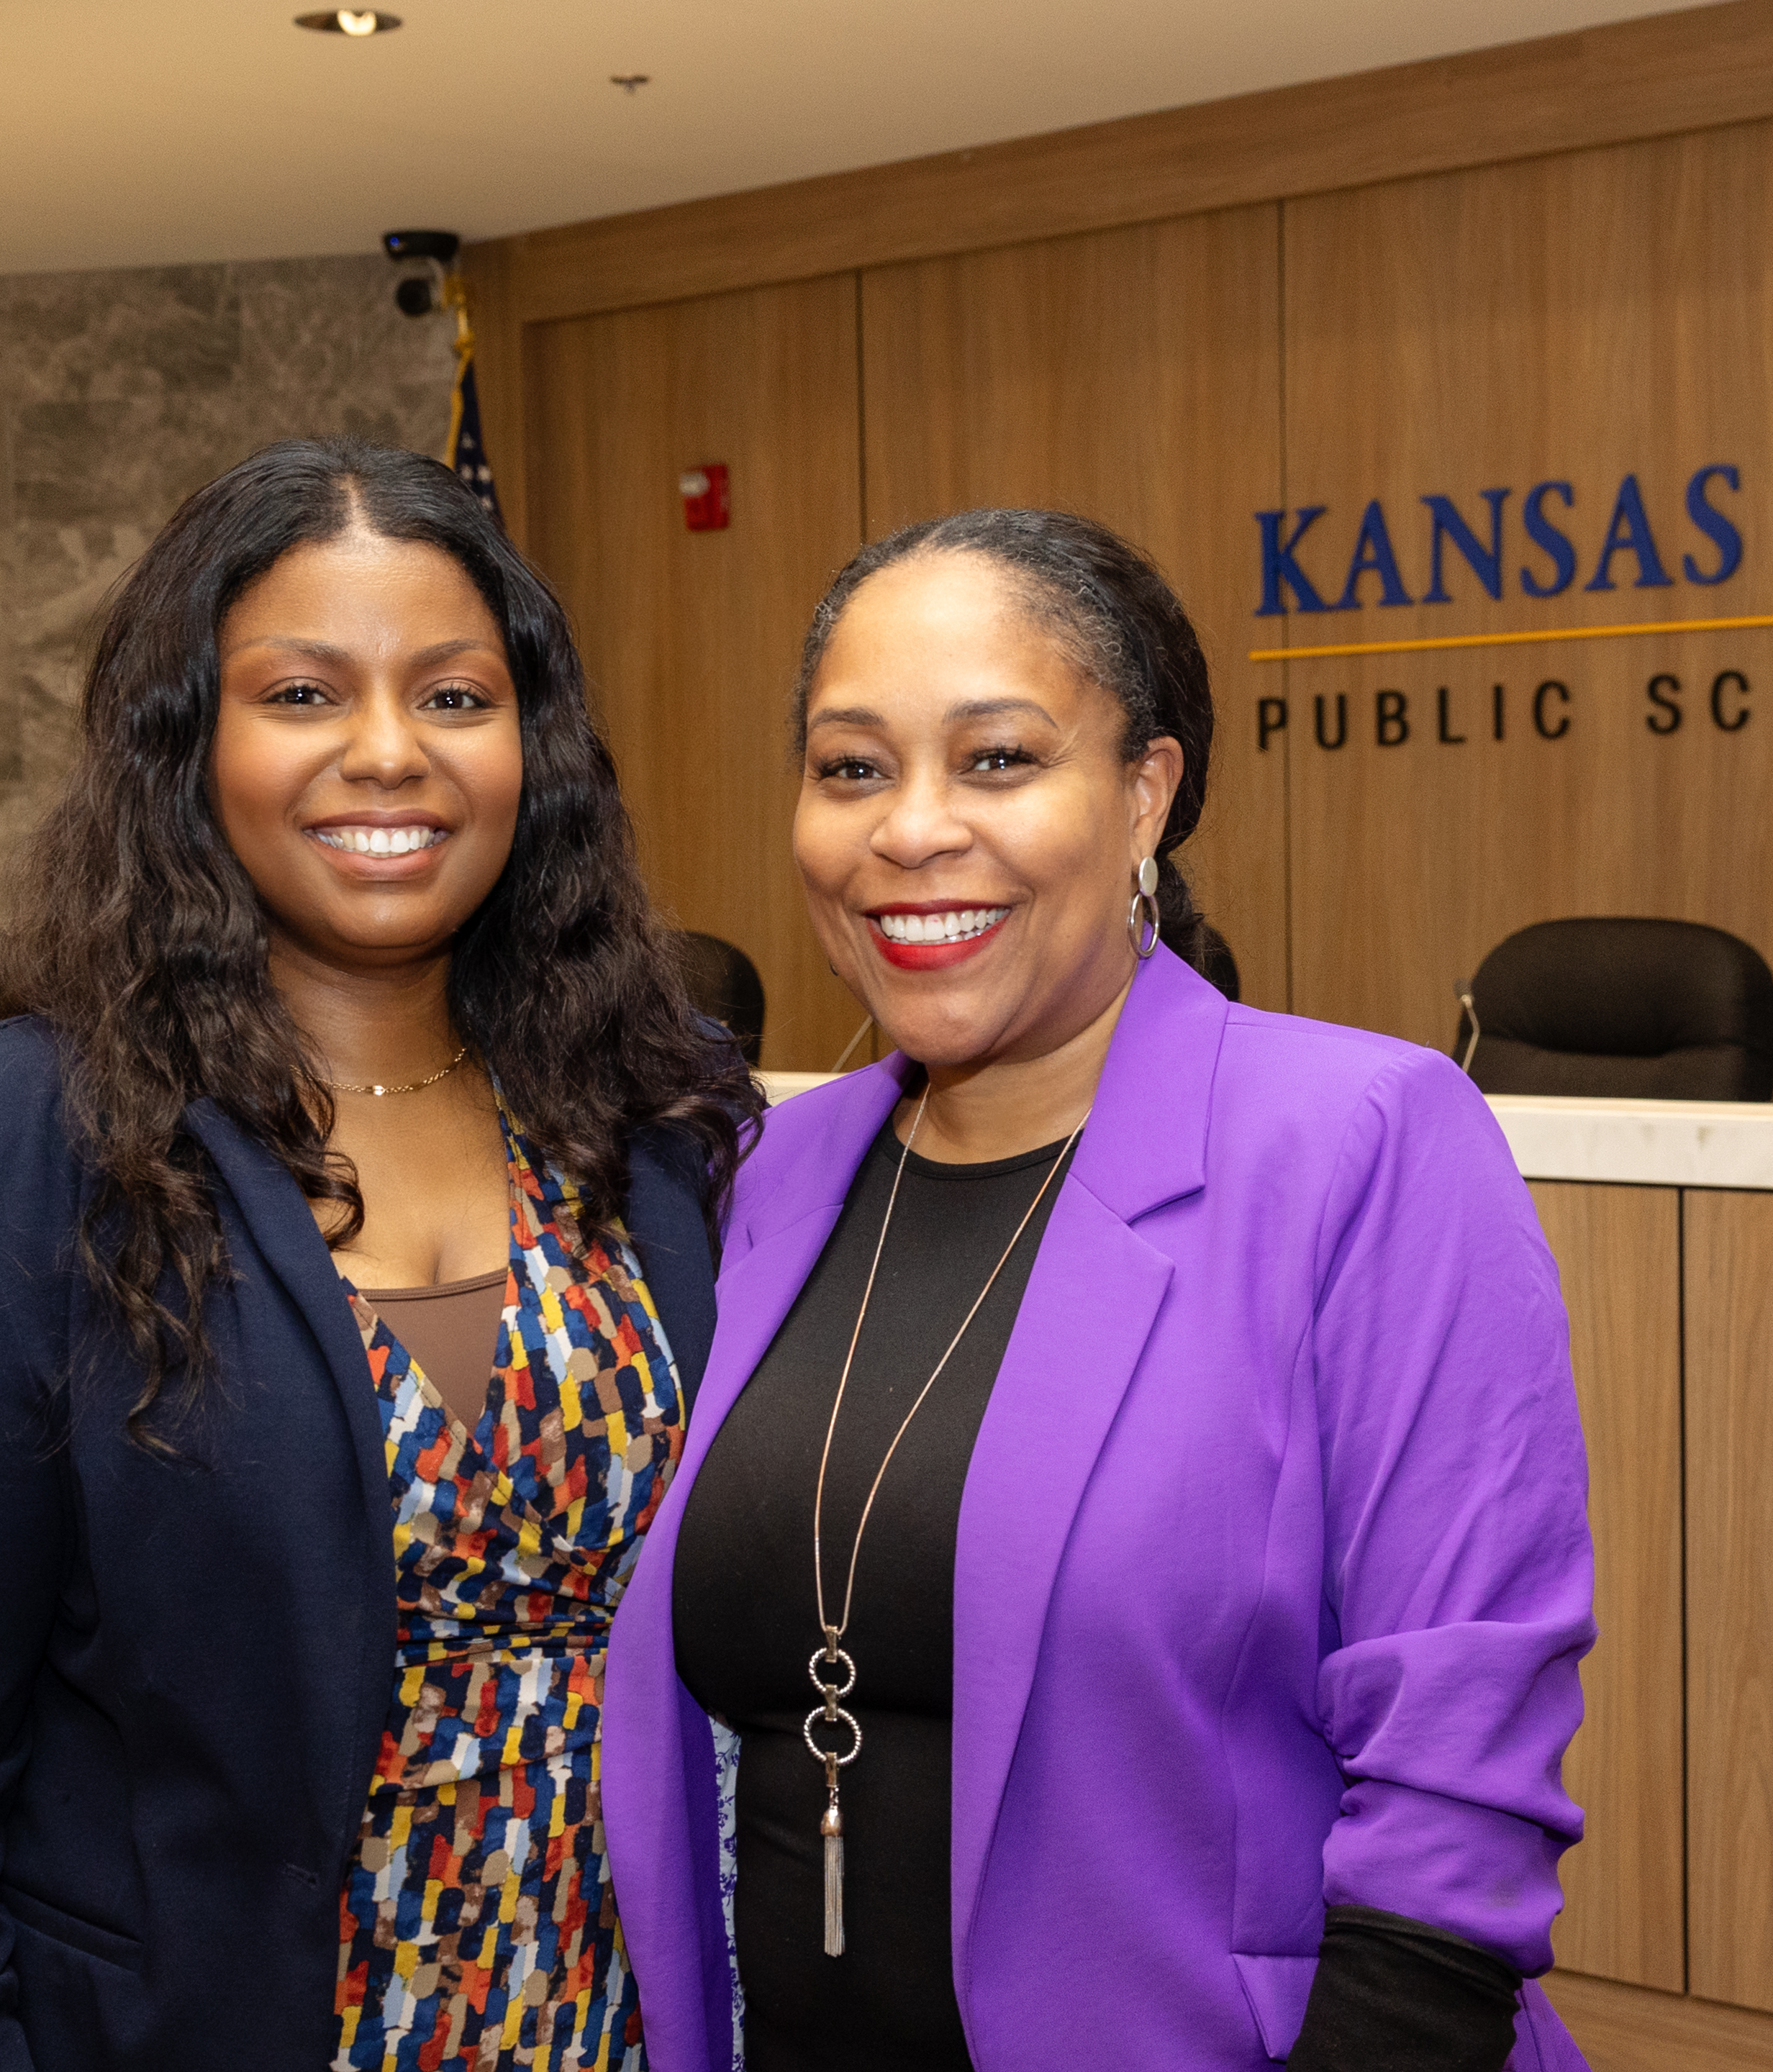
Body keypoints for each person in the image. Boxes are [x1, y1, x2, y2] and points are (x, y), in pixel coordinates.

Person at [0, 439, 757, 2072]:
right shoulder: (3, 1152)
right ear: (186, 749)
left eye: (454, 697)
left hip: (634, 2013)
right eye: (302, 695)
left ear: (536, 749)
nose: (389, 755)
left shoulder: (660, 1113)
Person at [599, 509, 1598, 2071]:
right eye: (852, 767)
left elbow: (1459, 1768)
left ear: (1147, 794)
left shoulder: (1361, 1144)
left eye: (998, 759)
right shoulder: (776, 1180)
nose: (911, 831)